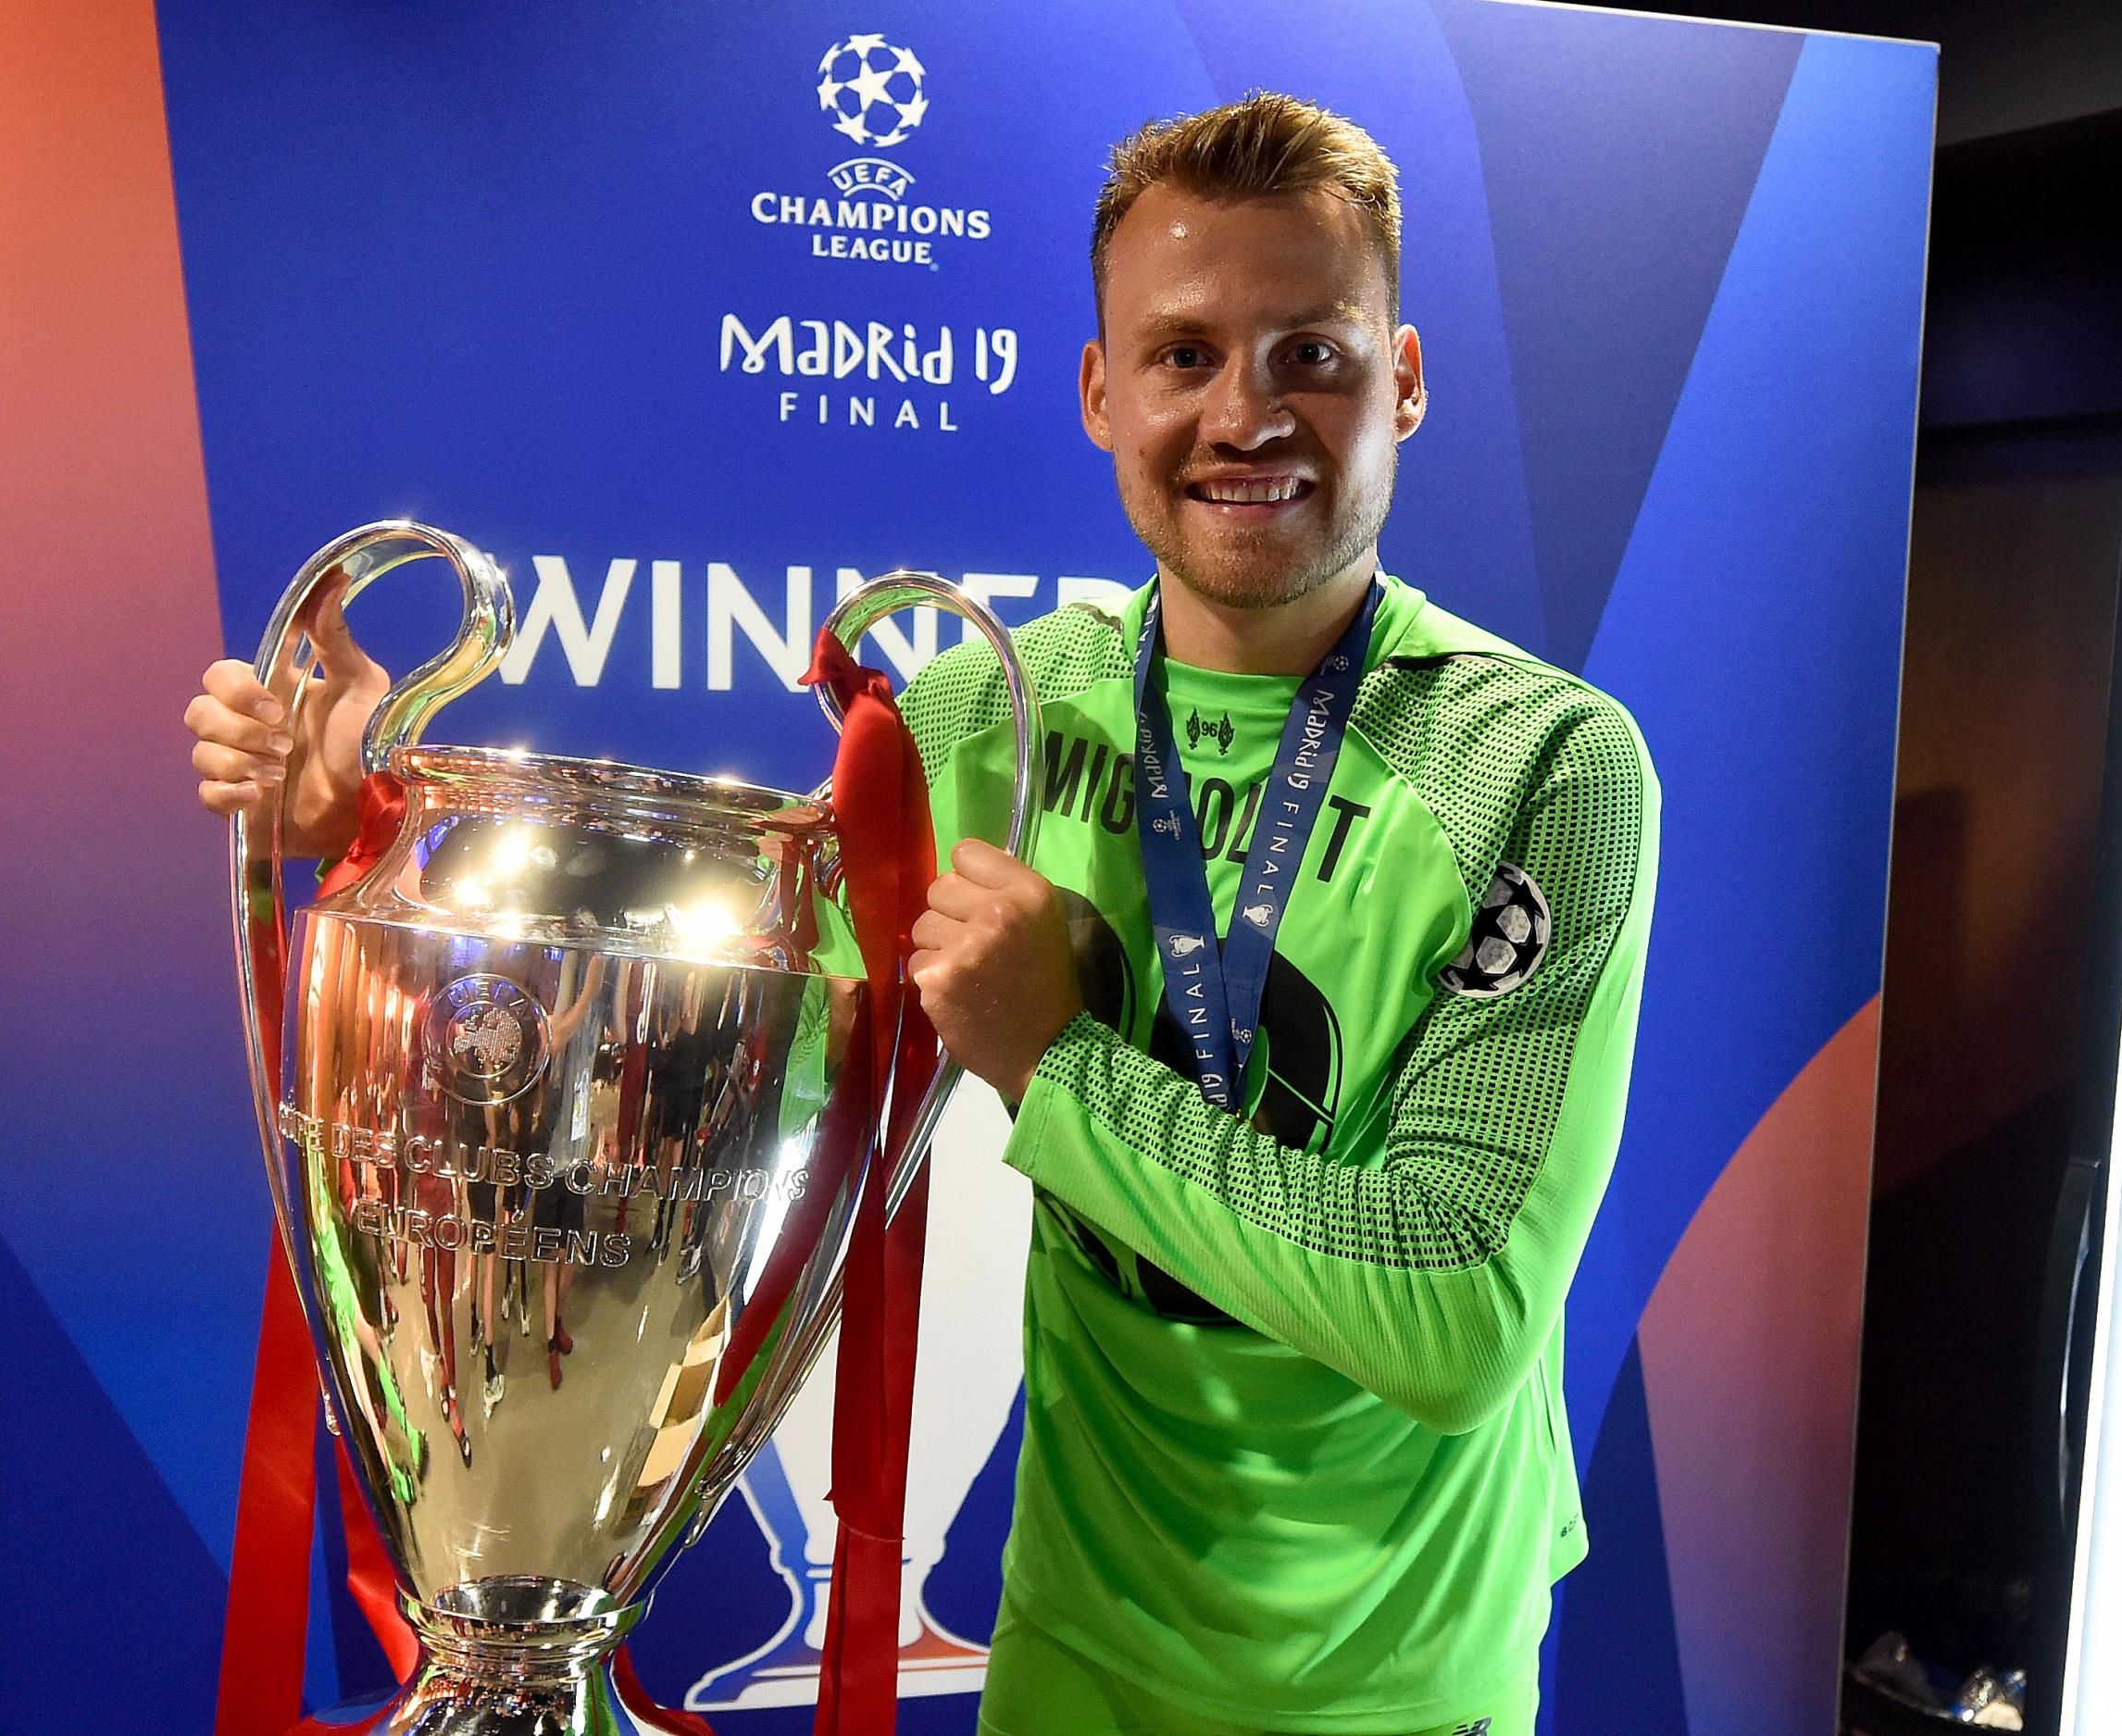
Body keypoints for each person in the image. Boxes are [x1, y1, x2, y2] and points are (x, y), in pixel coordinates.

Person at [186, 91, 1657, 1736]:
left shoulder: (1540, 763)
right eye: (1183, 355)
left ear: (1407, 376)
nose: (1248, 414)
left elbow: (1457, 1307)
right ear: (1101, 392)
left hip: (1403, 1680)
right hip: (1077, 1653)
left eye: (1310, 351)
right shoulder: (995, 725)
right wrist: (379, 843)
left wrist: (1056, 1062)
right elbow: (696, 1043)